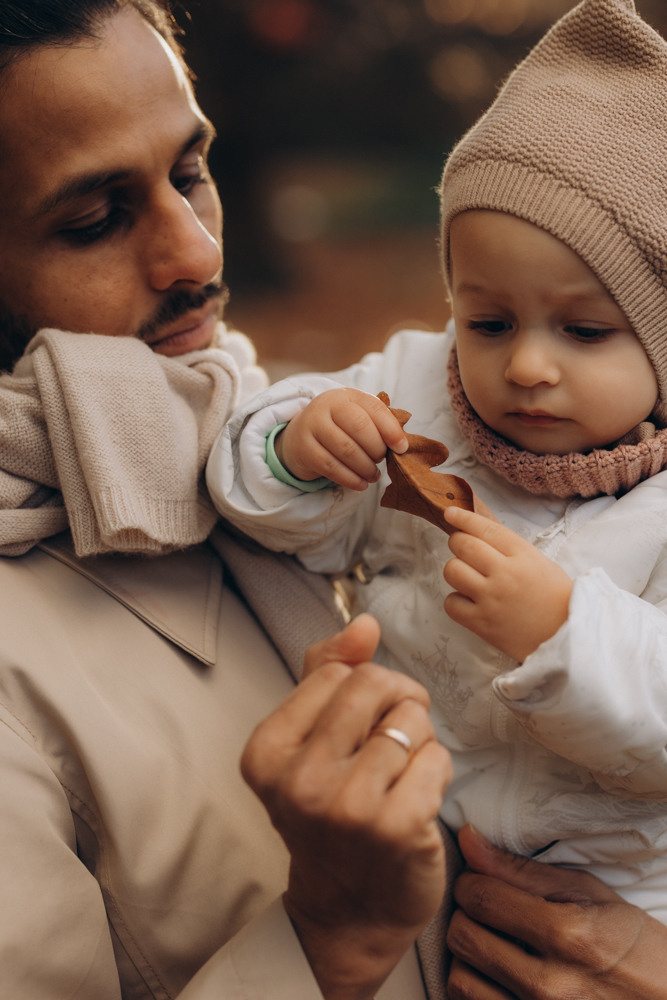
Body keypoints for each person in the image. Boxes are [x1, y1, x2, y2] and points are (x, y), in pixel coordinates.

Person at [2, 2, 666, 999]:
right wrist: (327, 933)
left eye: (192, 173)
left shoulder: (275, 408)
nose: (199, 255)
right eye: (93, 218)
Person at [208, 0, 667, 932]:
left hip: (617, 894)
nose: (526, 366)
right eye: (487, 321)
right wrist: (298, 447)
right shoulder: (414, 384)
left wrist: (561, 631)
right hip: (412, 845)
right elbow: (272, 507)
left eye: (582, 331)